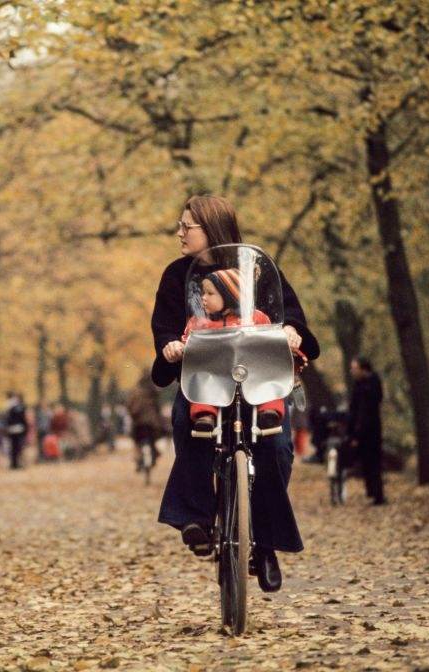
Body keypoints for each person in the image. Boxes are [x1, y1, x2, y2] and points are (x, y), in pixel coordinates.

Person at [151, 194, 320, 594]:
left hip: (258, 376)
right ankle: (197, 517)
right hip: (206, 376)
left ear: (209, 228)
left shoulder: (258, 269)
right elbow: (163, 327)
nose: (179, 232)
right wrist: (170, 345)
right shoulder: (176, 275)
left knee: (276, 447)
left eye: (186, 225)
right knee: (185, 420)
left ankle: (264, 544)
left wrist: (292, 330)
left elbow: (288, 310)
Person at [181, 268, 285, 438]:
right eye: (202, 293)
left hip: (251, 373)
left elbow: (270, 340)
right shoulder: (199, 323)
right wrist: (181, 347)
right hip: (216, 375)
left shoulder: (256, 319)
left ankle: (269, 413)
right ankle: (205, 415)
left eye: (210, 293)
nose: (203, 298)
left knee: (268, 382)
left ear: (230, 294)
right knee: (202, 382)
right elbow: (188, 341)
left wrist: (288, 342)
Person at [347, 357, 386, 505]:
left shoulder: (371, 385)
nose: (352, 371)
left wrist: (356, 433)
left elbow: (365, 412)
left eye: (355, 368)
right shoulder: (360, 385)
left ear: (364, 369)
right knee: (366, 463)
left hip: (371, 431)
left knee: (373, 463)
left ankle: (377, 494)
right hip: (363, 429)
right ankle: (372, 492)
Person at [126, 371, 165, 472]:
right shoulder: (153, 392)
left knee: (136, 440)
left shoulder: (135, 392)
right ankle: (155, 454)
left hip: (138, 423)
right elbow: (158, 407)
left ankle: (138, 460)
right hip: (152, 423)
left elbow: (130, 405)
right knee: (153, 439)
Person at [4, 392, 29, 470]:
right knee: (18, 447)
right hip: (19, 429)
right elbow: (23, 419)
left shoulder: (9, 407)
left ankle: (13, 463)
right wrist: (26, 428)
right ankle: (17, 463)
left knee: (13, 447)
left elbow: (7, 419)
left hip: (12, 429)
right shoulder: (20, 408)